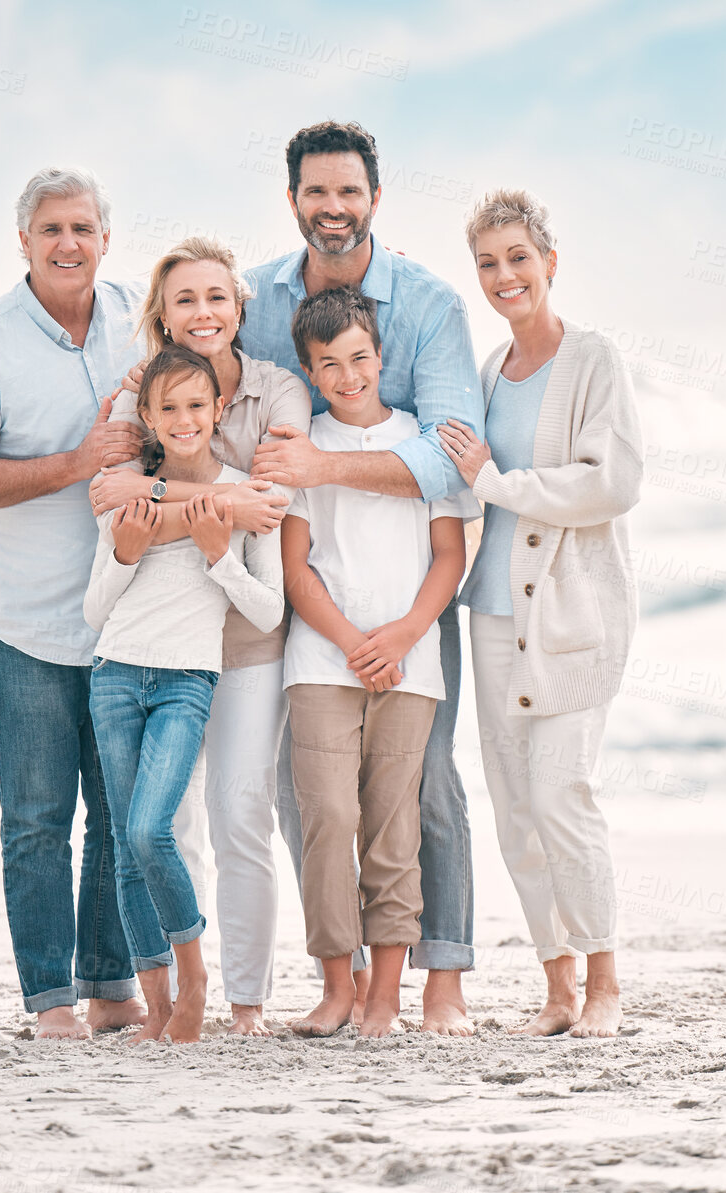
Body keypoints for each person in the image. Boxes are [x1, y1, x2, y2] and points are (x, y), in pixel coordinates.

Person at [242, 120, 486, 1035]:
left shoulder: (427, 304)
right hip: (304, 593)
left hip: (411, 602)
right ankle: (338, 982)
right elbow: (219, 393)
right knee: (307, 795)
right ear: (294, 199)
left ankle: (443, 978)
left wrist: (322, 468)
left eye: (349, 193)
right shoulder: (262, 298)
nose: (333, 209)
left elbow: (450, 460)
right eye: (316, 193)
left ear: (375, 198)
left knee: (422, 787)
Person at [0, 167, 146, 1040]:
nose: (69, 244)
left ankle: (110, 987)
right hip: (21, 621)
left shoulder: (141, 317)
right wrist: (75, 462)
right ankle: (50, 1001)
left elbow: (229, 321)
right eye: (51, 229)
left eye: (83, 228)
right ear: (23, 241)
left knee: (120, 817)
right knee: (35, 819)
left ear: (106, 238)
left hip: (125, 611)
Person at [88, 237, 310, 1037]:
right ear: (163, 314)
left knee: (238, 814)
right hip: (154, 640)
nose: (203, 312)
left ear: (239, 307)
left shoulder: (278, 390)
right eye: (185, 299)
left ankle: (245, 1001)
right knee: (161, 828)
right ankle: (184, 995)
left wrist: (156, 491)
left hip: (242, 641)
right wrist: (202, 504)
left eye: (217, 297)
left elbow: (267, 503)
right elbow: (112, 492)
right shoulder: (136, 394)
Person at [438, 189, 643, 1038]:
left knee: (563, 792)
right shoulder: (489, 370)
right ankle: (556, 987)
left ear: (549, 262)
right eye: (487, 263)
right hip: (489, 613)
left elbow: (611, 483)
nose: (504, 276)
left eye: (518, 258)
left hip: (570, 616)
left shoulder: (592, 360)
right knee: (515, 804)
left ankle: (604, 984)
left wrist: (499, 482)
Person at [279, 287, 473, 1037]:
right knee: (327, 817)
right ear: (309, 370)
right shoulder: (302, 448)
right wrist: (349, 639)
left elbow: (449, 556)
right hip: (320, 661)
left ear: (381, 357)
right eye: (329, 364)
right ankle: (337, 986)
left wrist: (398, 636)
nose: (348, 375)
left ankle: (386, 996)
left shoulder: (425, 444)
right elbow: (297, 568)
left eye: (359, 357)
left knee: (393, 830)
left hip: (410, 662)